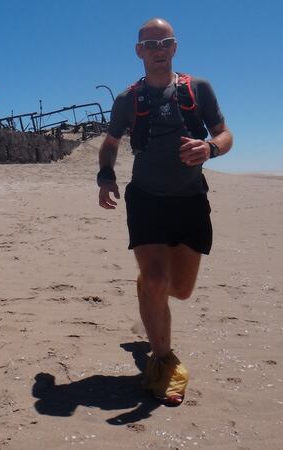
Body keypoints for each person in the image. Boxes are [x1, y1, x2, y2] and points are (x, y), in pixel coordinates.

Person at [96, 18, 233, 406]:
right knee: (157, 280)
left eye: (165, 42)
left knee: (182, 291)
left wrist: (212, 148)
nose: (158, 49)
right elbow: (109, 144)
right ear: (139, 51)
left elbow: (225, 133)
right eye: (150, 43)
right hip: (147, 199)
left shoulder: (198, 89)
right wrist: (105, 176)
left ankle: (148, 288)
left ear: (174, 49)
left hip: (190, 199)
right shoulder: (127, 100)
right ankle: (163, 361)